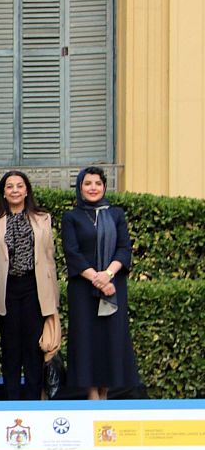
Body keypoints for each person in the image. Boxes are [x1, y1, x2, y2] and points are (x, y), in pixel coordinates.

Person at [63, 166, 142, 399]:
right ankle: (91, 394)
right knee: (86, 339)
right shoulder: (72, 217)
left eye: (98, 183)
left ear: (104, 187)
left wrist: (108, 275)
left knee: (111, 339)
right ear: (80, 187)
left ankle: (105, 393)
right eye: (88, 183)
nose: (93, 188)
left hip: (113, 287)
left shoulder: (116, 214)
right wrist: (97, 279)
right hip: (83, 289)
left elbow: (124, 248)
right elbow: (72, 252)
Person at [0, 170, 59, 401]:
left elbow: (49, 258)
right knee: (11, 349)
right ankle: (12, 401)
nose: (15, 190)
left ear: (26, 191)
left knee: (34, 349)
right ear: (3, 193)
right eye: (10, 186)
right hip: (5, 290)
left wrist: (53, 300)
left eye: (19, 186)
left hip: (34, 289)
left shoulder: (42, 217)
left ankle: (34, 401)